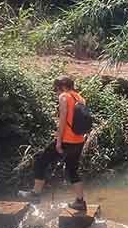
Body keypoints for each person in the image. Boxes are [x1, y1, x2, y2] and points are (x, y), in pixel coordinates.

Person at [20, 76, 89, 210]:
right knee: (72, 170)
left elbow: (63, 119)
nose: (56, 92)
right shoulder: (80, 98)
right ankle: (80, 202)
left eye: (56, 89)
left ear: (62, 87)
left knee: (40, 161)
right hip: (79, 140)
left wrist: (58, 141)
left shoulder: (64, 96)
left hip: (66, 140)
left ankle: (35, 194)